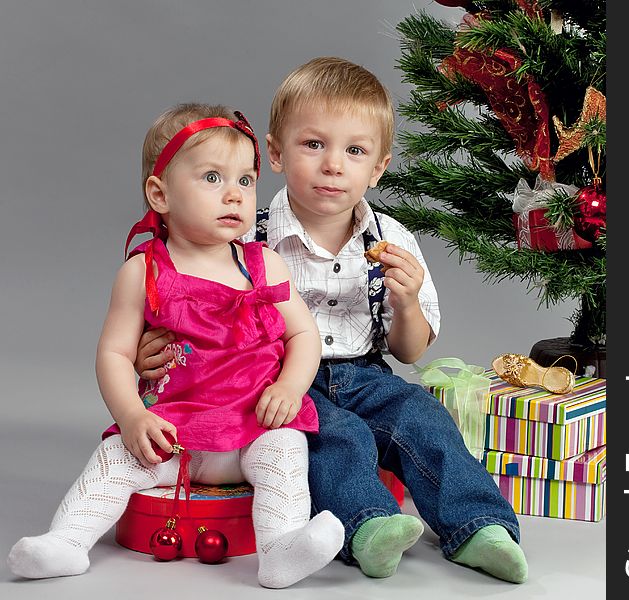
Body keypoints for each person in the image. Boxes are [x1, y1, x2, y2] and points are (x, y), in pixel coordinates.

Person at [135, 58, 529, 584]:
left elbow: (409, 352)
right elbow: (188, 308)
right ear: (274, 152)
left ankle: (479, 525)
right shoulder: (244, 238)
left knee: (421, 417)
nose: (333, 166)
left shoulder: (391, 239)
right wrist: (150, 353)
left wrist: (406, 301)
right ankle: (369, 528)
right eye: (313, 144)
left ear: (379, 166)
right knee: (333, 437)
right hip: (277, 378)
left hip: (366, 372)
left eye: (355, 151)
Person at [7, 103, 345, 588]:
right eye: (212, 178)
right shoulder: (142, 272)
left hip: (251, 424)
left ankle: (279, 548)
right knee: (115, 458)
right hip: (173, 434)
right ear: (159, 194)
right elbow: (115, 354)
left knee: (285, 449)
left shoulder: (263, 264)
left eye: (246, 181)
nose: (234, 194)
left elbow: (303, 334)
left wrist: (291, 387)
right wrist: (131, 416)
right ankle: (66, 541)